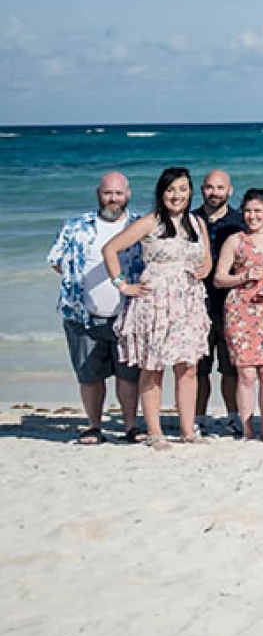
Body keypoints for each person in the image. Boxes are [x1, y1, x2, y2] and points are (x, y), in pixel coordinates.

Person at [104, 167, 211, 448]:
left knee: (188, 367)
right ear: (161, 193)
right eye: (171, 190)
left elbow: (207, 258)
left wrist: (205, 268)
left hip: (189, 301)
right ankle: (155, 432)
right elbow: (110, 249)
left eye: (183, 189)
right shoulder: (150, 222)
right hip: (155, 302)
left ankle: (188, 430)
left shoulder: (197, 223)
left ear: (190, 192)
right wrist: (123, 285)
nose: (177, 195)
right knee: (153, 367)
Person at [48, 171, 143, 443]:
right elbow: (56, 260)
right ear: (98, 194)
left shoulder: (139, 225)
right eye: (107, 193)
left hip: (128, 314)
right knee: (89, 376)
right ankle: (93, 426)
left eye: (118, 193)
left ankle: (130, 427)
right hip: (83, 315)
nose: (113, 199)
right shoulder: (76, 226)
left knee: (128, 376)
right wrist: (80, 282)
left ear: (128, 194)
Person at [213, 188, 263, 440]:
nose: (252, 216)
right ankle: (246, 429)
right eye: (247, 211)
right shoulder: (235, 240)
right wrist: (243, 277)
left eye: (257, 211)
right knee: (245, 373)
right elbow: (219, 278)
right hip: (240, 310)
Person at [192, 168, 244, 434]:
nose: (214, 193)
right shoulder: (189, 221)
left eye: (220, 188)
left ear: (230, 191)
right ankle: (198, 417)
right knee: (197, 368)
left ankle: (233, 416)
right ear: (202, 190)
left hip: (230, 305)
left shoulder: (239, 222)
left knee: (229, 368)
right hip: (194, 306)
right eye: (210, 187)